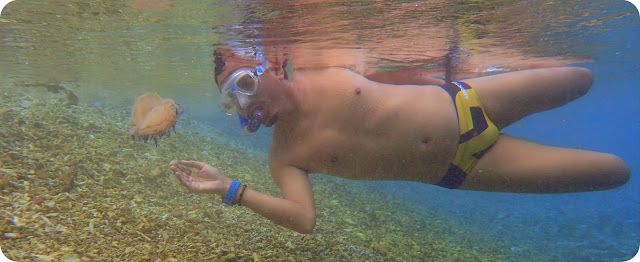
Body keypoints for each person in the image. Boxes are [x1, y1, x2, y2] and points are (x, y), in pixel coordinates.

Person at [169, 48, 630, 234]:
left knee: (581, 77)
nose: (246, 107)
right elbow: (304, 220)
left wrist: (450, 68)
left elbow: (393, 73)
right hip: (465, 169)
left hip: (468, 99)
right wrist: (229, 187)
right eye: (232, 104)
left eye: (244, 87)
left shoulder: (321, 65)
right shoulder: (284, 156)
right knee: (613, 173)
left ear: (269, 67)